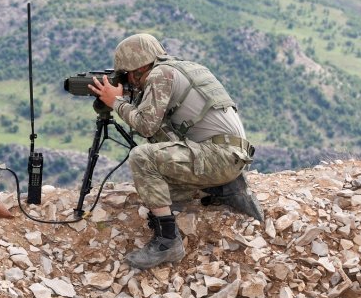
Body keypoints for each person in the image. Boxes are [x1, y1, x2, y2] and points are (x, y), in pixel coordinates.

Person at [88, 33, 263, 269]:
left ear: (138, 68)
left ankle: (167, 240)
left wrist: (116, 102)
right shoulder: (183, 68)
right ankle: (225, 188)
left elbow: (145, 125)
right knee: (159, 167)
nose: (127, 80)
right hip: (231, 156)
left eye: (126, 74)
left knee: (142, 158)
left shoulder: (159, 75)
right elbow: (159, 129)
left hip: (218, 158)